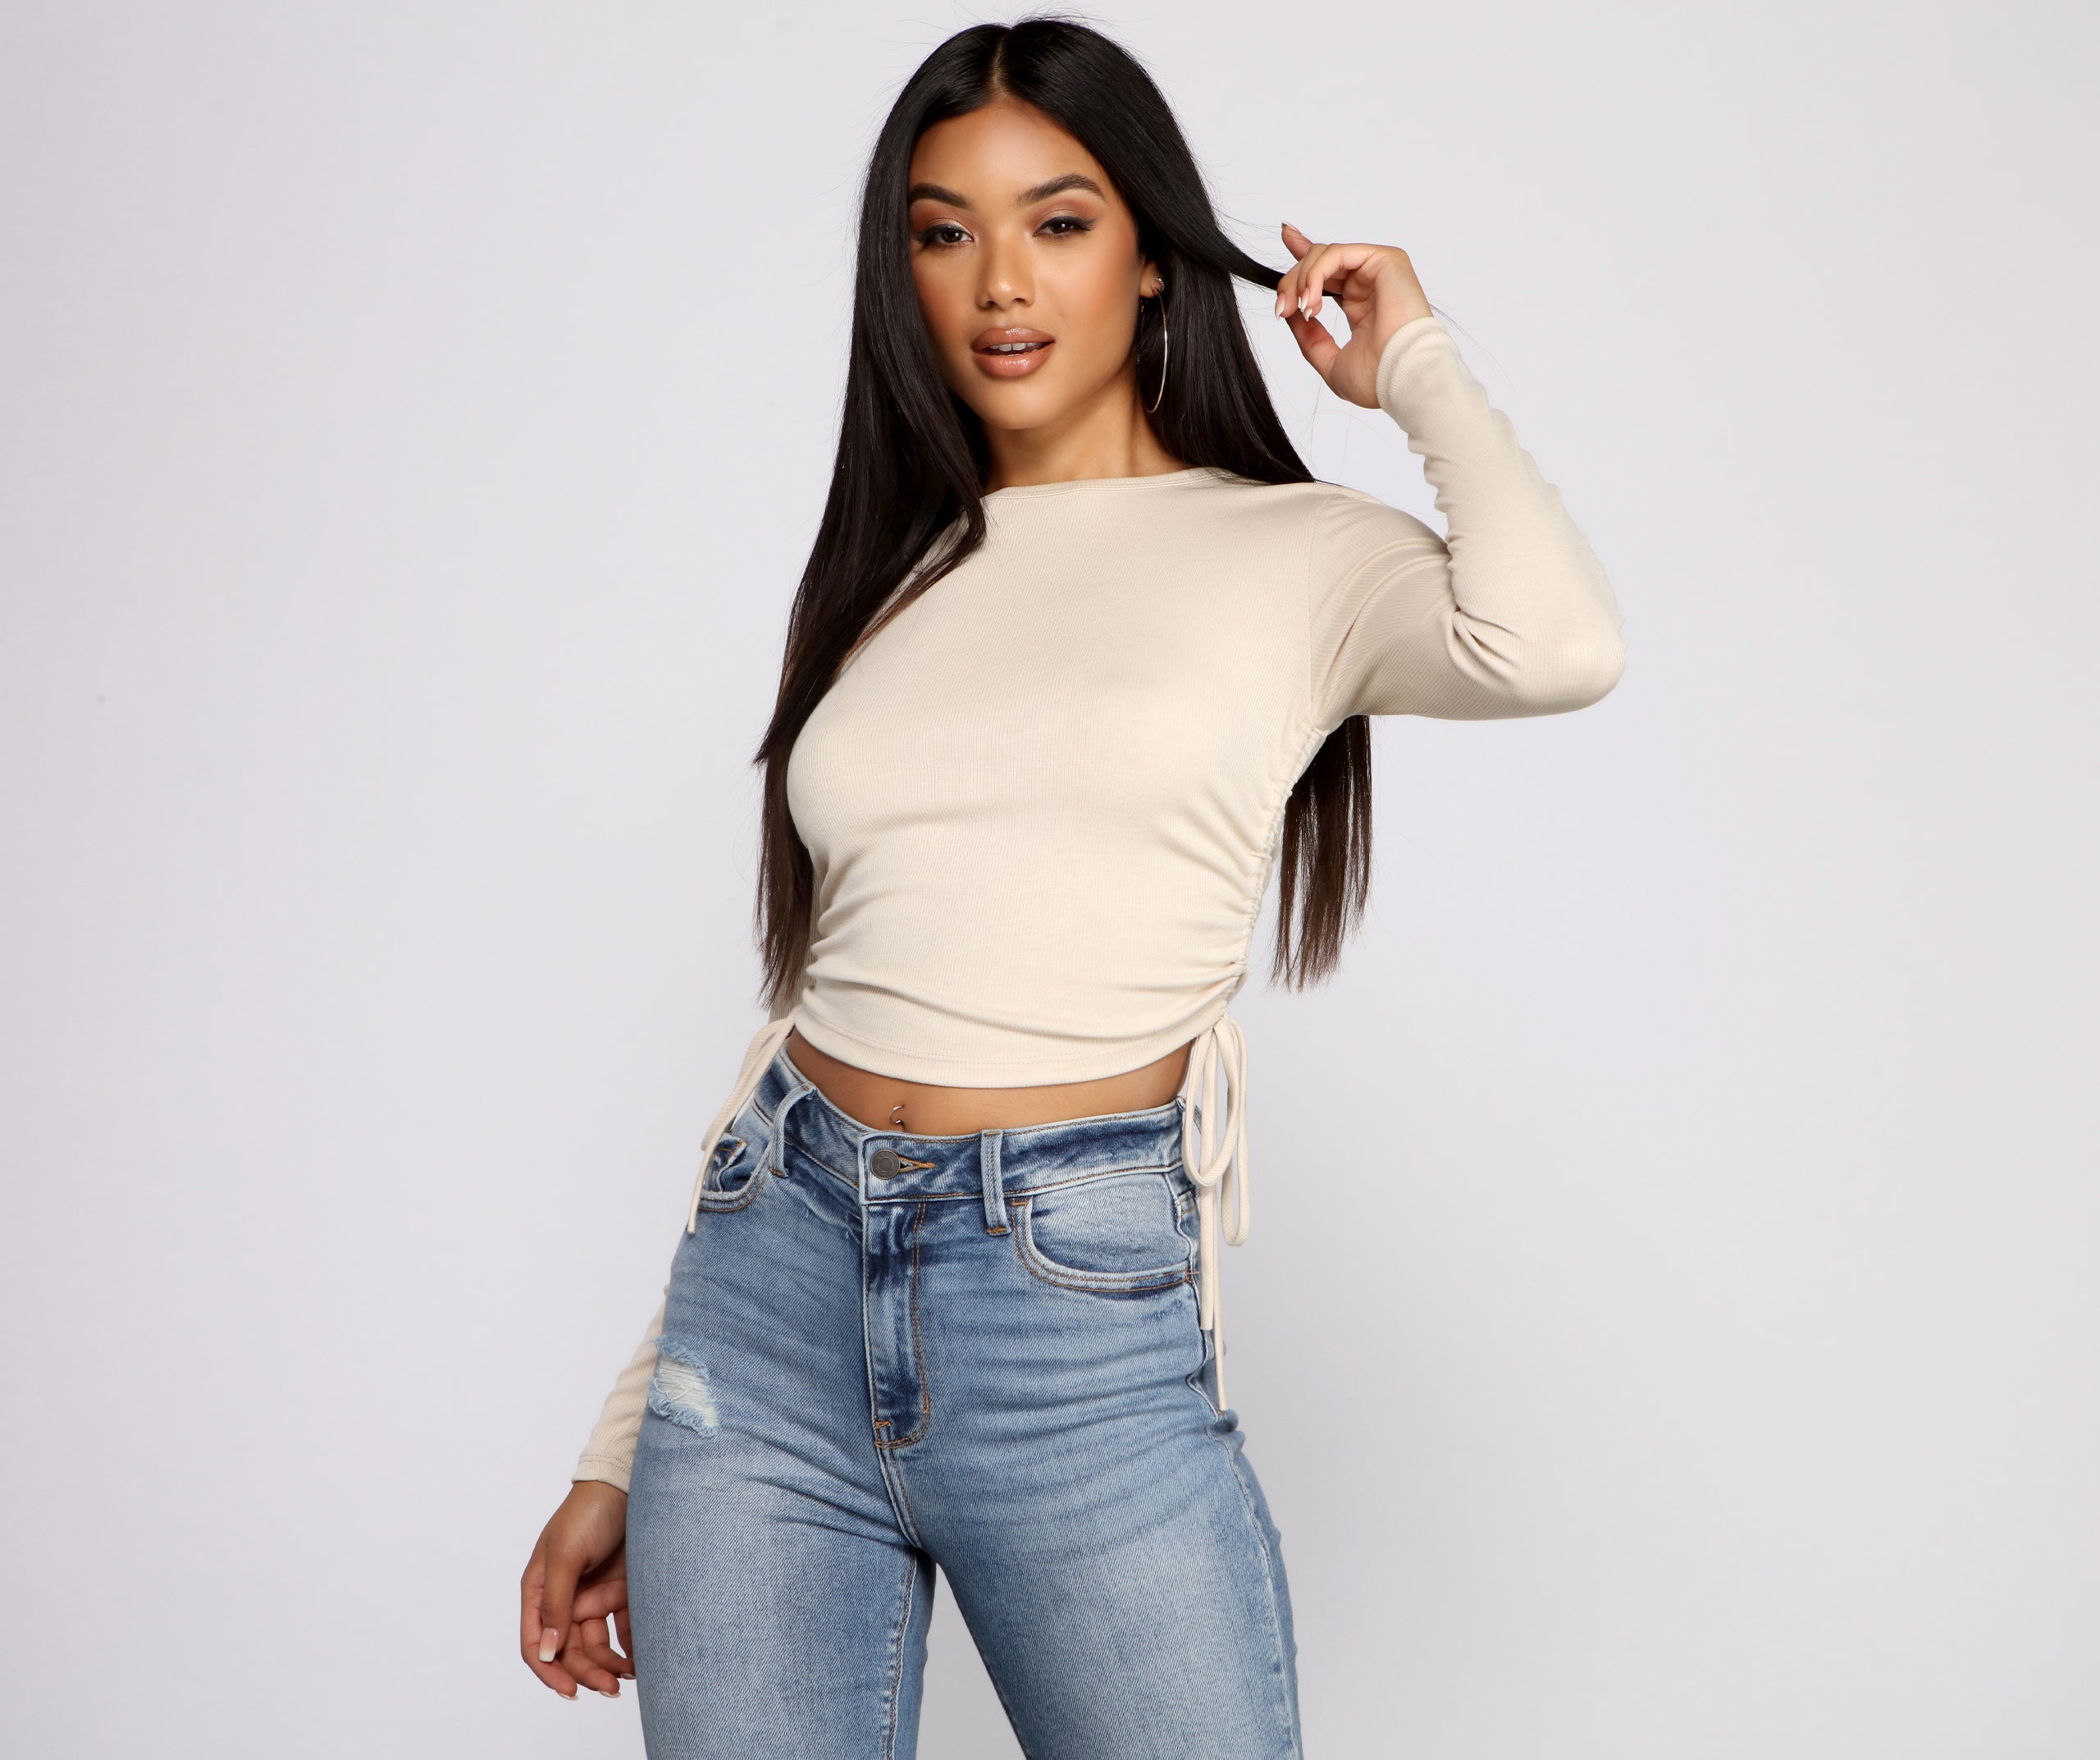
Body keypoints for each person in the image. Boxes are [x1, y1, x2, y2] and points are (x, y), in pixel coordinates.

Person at [518, 17, 1625, 1758]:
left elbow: (1554, 642)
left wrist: (1410, 361)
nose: (999, 283)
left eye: (1058, 220)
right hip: (766, 1306)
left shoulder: (1293, 553)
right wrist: (622, 1437)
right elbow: (821, 1015)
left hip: (1066, 1320)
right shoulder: (892, 568)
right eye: (942, 231)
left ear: (1153, 254)